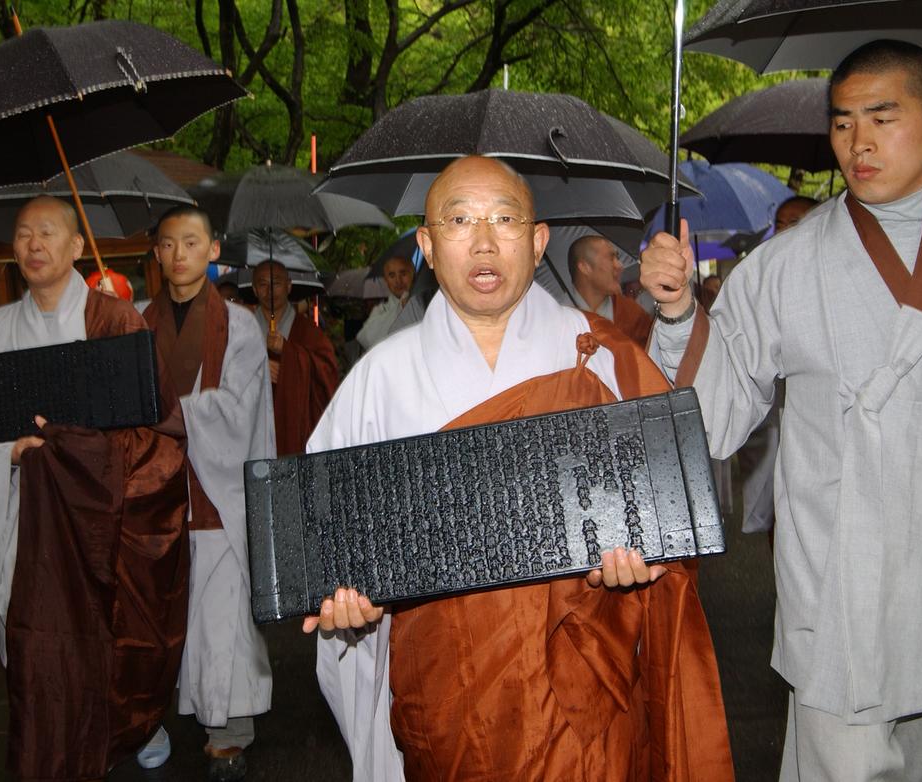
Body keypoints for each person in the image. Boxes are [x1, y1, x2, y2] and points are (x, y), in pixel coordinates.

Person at [640, 39, 922, 781]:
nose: (858, 143)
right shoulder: (785, 266)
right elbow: (719, 413)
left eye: (883, 118)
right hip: (841, 577)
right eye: (843, 122)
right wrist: (676, 315)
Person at [304, 156, 734, 781]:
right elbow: (325, 549)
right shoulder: (379, 381)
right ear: (427, 244)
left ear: (537, 244)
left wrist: (639, 573)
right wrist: (348, 612)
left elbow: (672, 493)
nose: (483, 241)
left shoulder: (595, 356)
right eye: (459, 220)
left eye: (504, 219)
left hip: (580, 695)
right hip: (449, 703)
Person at [0, 195, 189, 779]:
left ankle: (135, 727)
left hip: (106, 523)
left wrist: (82, 457)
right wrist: (8, 452)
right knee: (42, 648)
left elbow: (160, 432)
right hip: (26, 523)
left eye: (48, 232)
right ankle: (53, 745)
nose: (34, 245)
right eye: (24, 234)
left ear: (76, 247)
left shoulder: (116, 324)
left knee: (119, 638)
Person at [142, 206, 275, 778]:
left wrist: (159, 411)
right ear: (156, 253)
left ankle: (229, 733)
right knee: (168, 615)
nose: (179, 254)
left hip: (217, 492)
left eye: (191, 242)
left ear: (213, 250)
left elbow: (234, 411)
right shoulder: (136, 322)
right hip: (156, 491)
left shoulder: (239, 324)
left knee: (220, 616)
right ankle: (160, 718)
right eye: (168, 244)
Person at [738, 196, 819, 538]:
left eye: (794, 223)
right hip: (774, 409)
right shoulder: (766, 274)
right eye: (781, 224)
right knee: (779, 504)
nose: (785, 231)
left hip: (817, 416)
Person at [252, 260, 339, 455]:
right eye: (263, 284)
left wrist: (288, 351)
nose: (270, 290)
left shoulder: (308, 331)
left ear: (289, 286)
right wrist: (258, 370)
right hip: (251, 426)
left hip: (293, 425)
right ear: (255, 289)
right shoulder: (241, 329)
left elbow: (328, 373)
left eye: (277, 283)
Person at [567, 233, 654, 347]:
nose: (619, 265)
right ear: (585, 267)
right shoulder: (559, 316)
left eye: (617, 258)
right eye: (611, 258)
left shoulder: (632, 314)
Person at [355, 256, 416, 351]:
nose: (398, 281)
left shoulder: (425, 301)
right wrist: (401, 307)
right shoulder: (381, 310)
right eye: (392, 275)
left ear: (413, 274)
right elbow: (366, 339)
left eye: (403, 273)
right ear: (386, 280)